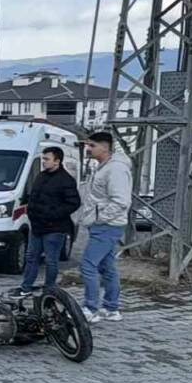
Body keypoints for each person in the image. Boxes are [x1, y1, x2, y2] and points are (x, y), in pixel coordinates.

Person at [11, 146, 83, 296]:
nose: (43, 162)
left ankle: (49, 289)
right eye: (43, 158)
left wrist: (53, 214)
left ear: (57, 161)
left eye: (47, 159)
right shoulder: (41, 176)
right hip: (37, 226)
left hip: (55, 228)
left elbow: (74, 203)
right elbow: (34, 196)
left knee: (51, 260)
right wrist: (30, 211)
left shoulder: (66, 180)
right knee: (31, 258)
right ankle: (26, 287)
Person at [78, 132, 132, 323]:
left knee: (88, 265)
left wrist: (100, 219)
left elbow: (121, 201)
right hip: (103, 224)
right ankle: (111, 308)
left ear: (105, 147)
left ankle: (90, 308)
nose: (88, 149)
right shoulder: (104, 167)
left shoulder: (116, 169)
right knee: (107, 266)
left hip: (107, 225)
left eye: (92, 145)